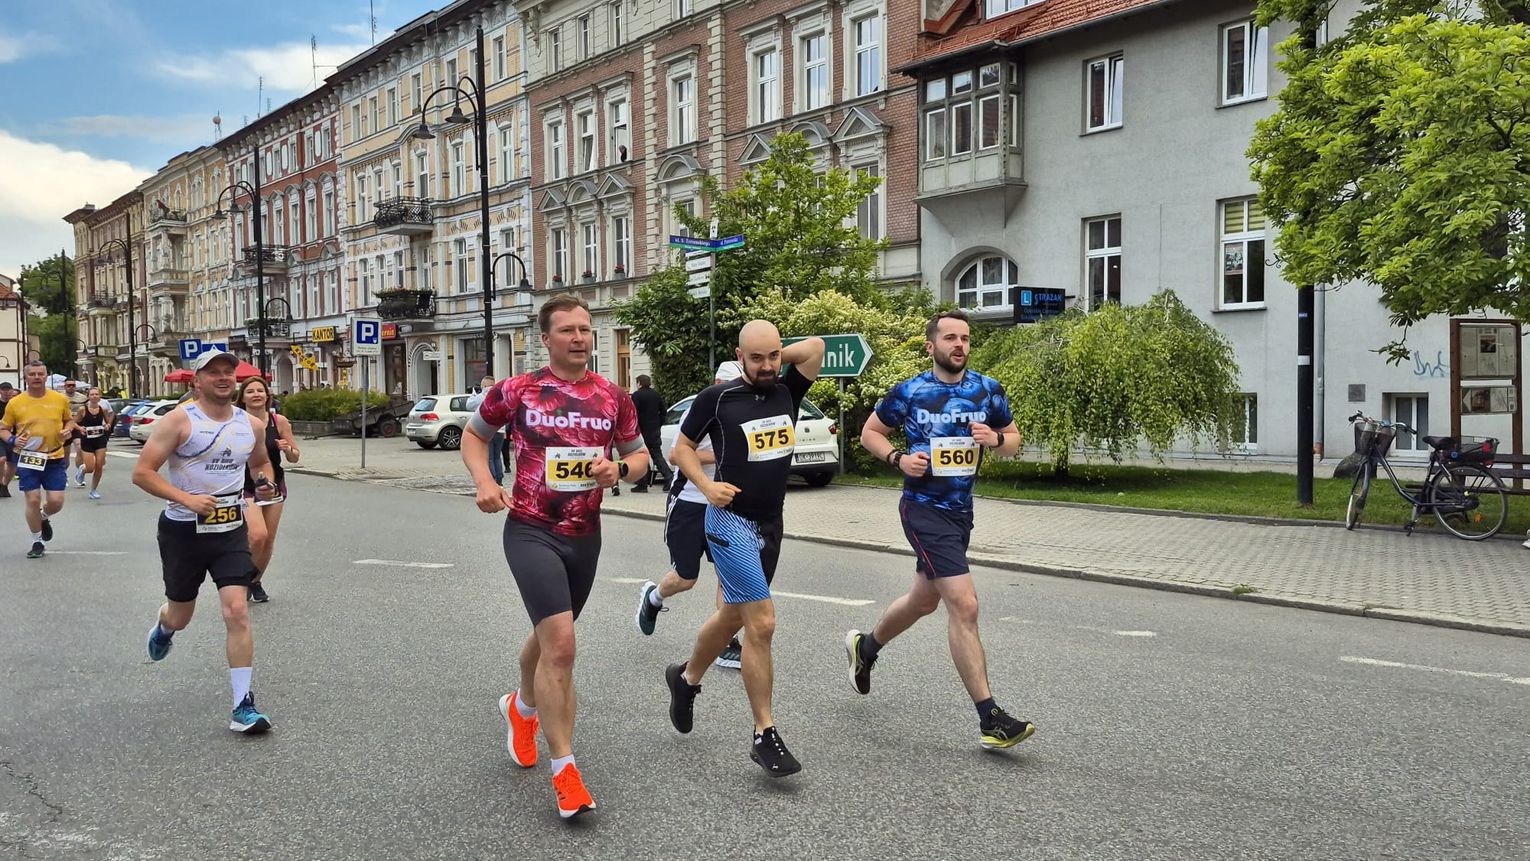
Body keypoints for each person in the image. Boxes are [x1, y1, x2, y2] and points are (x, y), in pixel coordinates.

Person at [462, 294, 648, 819]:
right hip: (530, 529)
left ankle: (521, 707)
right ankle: (566, 772)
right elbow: (474, 436)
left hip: (584, 535)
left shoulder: (613, 397)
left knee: (550, 638)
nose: (579, 338)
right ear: (546, 339)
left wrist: (620, 471)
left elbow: (639, 456)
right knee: (562, 646)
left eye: (585, 329)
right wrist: (484, 482)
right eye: (567, 330)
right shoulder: (518, 390)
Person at [846, 309, 1035, 750]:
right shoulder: (910, 391)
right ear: (932, 346)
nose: (960, 345)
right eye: (950, 337)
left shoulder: (987, 390)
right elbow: (870, 432)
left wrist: (996, 440)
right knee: (964, 605)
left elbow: (1013, 439)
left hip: (960, 512)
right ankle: (990, 718)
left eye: (965, 338)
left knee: (923, 601)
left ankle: (866, 648)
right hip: (923, 510)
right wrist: (898, 459)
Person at [664, 323, 823, 777]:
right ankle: (764, 733)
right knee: (763, 622)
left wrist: (774, 355)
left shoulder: (788, 391)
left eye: (773, 356)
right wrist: (706, 485)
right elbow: (681, 449)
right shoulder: (718, 398)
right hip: (730, 520)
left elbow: (815, 348)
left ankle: (686, 678)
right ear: (739, 357)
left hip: (771, 522)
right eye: (756, 358)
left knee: (734, 616)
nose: (768, 365)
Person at [132, 349, 279, 734]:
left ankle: (243, 706)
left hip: (229, 528)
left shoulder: (251, 425)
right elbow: (143, 472)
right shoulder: (179, 421)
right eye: (214, 372)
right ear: (196, 381)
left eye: (229, 371)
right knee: (181, 615)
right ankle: (164, 626)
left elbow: (259, 463)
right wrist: (187, 499)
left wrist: (263, 482)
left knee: (237, 610)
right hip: (183, 530)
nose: (224, 377)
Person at [635, 361, 747, 672]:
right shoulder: (701, 408)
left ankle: (726, 643)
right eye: (730, 386)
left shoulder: (743, 411)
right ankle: (653, 597)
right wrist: (721, 455)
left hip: (724, 504)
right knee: (686, 578)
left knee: (729, 576)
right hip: (689, 502)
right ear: (717, 383)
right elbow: (675, 455)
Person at [235, 376, 301, 604]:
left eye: (260, 391)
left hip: (273, 484)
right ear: (242, 398)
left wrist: (287, 449)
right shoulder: (235, 421)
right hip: (243, 485)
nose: (256, 395)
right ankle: (242, 578)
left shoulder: (278, 421)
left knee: (268, 538)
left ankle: (255, 581)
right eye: (250, 391)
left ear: (267, 395)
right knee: (257, 535)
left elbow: (294, 457)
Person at [0, 363, 77, 556]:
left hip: (54, 456)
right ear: (26, 378)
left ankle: (43, 516)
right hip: (28, 457)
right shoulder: (15, 403)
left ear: (45, 377)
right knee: (33, 499)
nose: (36, 377)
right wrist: (13, 439)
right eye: (32, 374)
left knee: (56, 501)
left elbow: (69, 420)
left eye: (40, 374)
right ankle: (37, 541)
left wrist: (67, 429)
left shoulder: (59, 399)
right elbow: (3, 428)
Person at [628, 375, 673, 493]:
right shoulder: (656, 394)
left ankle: (643, 483)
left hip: (641, 431)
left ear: (639, 383)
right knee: (657, 455)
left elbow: (633, 414)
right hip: (654, 430)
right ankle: (668, 478)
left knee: (640, 456)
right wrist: (658, 424)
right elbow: (663, 412)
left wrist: (633, 428)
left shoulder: (636, 395)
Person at [74, 387, 115, 499]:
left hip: (100, 439)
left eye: (96, 394)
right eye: (92, 394)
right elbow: (73, 422)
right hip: (87, 440)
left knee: (99, 465)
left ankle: (93, 490)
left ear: (100, 396)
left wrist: (108, 425)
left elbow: (108, 421)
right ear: (88, 396)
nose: (94, 396)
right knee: (90, 468)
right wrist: (80, 428)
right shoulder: (82, 409)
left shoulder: (102, 409)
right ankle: (83, 469)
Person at [465, 375, 505, 486]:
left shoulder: (481, 396)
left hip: (487, 430)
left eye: (482, 385)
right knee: (497, 456)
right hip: (500, 430)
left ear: (484, 386)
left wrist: (473, 393)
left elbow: (468, 405)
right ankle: (499, 478)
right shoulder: (500, 395)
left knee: (489, 457)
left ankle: (492, 478)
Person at [64, 380, 89, 487]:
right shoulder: (60, 397)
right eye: (68, 385)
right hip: (65, 425)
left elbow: (87, 410)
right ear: (65, 386)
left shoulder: (82, 398)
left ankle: (80, 474)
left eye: (73, 385)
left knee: (79, 448)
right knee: (66, 453)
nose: (71, 387)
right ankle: (64, 474)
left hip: (78, 425)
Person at [0, 381, 16, 498]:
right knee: (2, 459)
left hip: (14, 437)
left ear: (12, 391)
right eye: (4, 390)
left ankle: (5, 485)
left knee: (12, 463)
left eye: (8, 390)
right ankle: (0, 483)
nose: (6, 392)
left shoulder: (15, 404)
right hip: (0, 435)